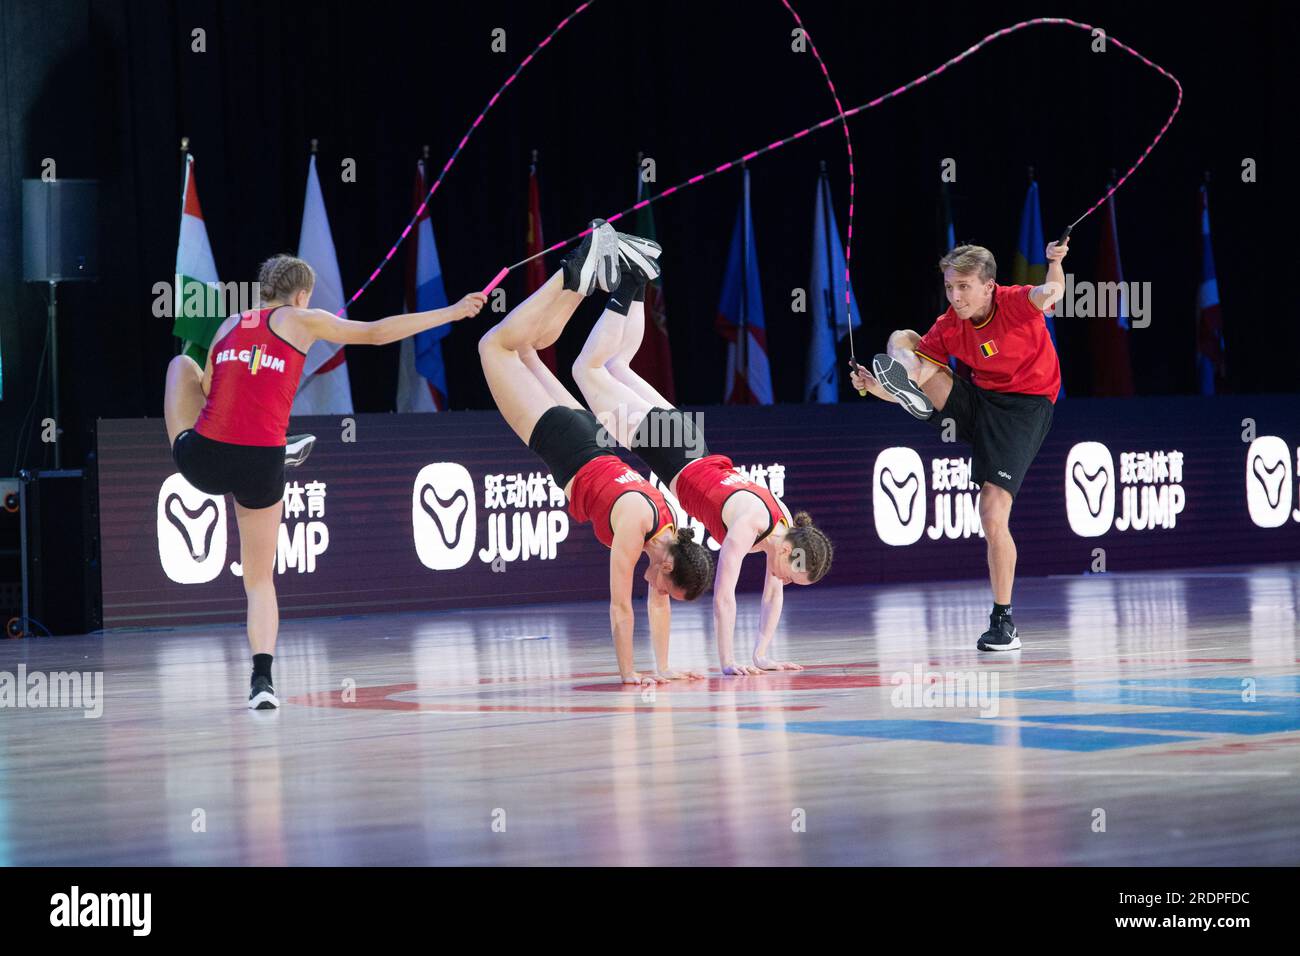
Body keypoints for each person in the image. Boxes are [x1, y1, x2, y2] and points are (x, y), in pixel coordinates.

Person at [164, 253, 486, 707]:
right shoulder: (303, 319)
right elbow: (376, 333)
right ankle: (262, 683)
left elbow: (212, 386)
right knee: (259, 581)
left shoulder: (228, 325)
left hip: (204, 460)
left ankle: (260, 443)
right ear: (301, 295)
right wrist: (452, 312)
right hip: (261, 462)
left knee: (181, 367)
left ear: (263, 291)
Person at [569, 232, 833, 676]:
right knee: (586, 368)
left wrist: (762, 654)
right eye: (793, 575)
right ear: (792, 554)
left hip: (686, 440)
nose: (786, 581)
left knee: (616, 367)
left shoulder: (782, 527)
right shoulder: (750, 528)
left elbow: (772, 595)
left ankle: (638, 275)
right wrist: (729, 662)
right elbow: (725, 595)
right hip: (667, 445)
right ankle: (632, 281)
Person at [477, 220, 714, 685]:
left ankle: (592, 272)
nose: (662, 595)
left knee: (527, 348)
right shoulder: (637, 529)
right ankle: (574, 272)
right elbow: (620, 607)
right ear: (667, 566)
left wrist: (663, 669)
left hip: (587, 435)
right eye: (669, 588)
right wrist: (630, 674)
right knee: (493, 346)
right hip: (565, 442)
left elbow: (657, 602)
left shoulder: (668, 524)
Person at [851, 240, 1067, 651]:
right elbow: (922, 360)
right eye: (950, 287)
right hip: (979, 402)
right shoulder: (950, 325)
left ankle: (1004, 622)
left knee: (990, 509)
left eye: (964, 286)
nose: (955, 296)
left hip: (1025, 408)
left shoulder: (1016, 302)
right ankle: (904, 382)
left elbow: (1052, 292)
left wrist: (1055, 264)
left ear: (988, 286)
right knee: (904, 337)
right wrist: (873, 387)